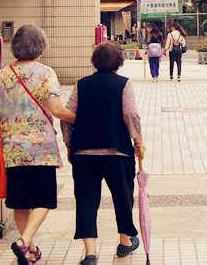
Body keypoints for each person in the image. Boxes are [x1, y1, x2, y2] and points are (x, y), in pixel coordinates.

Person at [0, 23, 77, 265]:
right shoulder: (45, 72)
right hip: (40, 149)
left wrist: (15, 108)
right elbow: (57, 109)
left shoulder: (3, 74)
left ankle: (30, 250)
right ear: (40, 46)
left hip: (12, 149)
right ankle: (23, 241)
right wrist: (80, 118)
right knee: (44, 199)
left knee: (21, 201)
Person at [62, 42, 146, 265]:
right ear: (119, 61)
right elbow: (130, 114)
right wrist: (138, 140)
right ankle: (124, 242)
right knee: (123, 196)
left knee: (86, 200)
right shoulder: (123, 84)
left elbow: (67, 115)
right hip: (117, 151)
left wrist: (70, 144)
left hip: (84, 153)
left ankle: (90, 253)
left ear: (95, 60)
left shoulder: (82, 84)